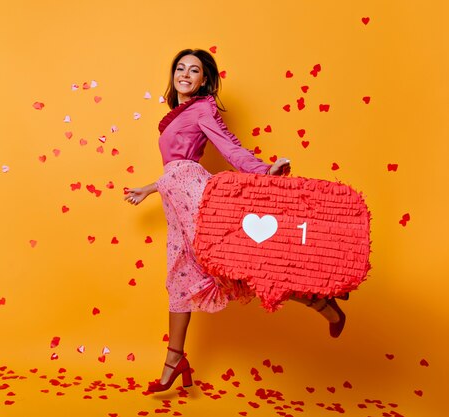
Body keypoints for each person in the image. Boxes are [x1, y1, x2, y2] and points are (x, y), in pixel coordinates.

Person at [124, 49, 346, 393]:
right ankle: (174, 361)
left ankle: (320, 299)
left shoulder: (201, 108)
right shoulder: (178, 113)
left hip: (193, 193)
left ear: (204, 80)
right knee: (180, 279)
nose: (184, 74)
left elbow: (229, 148)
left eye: (193, 70)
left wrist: (264, 170)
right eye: (179, 68)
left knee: (237, 264)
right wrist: (151, 188)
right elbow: (174, 166)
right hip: (174, 200)